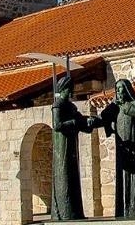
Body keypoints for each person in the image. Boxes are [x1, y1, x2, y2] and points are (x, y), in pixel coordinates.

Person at [98, 79, 135, 217]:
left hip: (132, 146)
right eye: (117, 89)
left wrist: (133, 110)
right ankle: (121, 210)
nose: (119, 91)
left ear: (127, 90)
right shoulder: (115, 107)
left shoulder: (131, 105)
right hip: (121, 147)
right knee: (121, 175)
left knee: (132, 177)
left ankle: (133, 209)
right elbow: (104, 116)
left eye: (121, 88)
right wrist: (107, 127)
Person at [51, 75, 97, 220]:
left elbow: (79, 120)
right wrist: (74, 123)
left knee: (72, 177)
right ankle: (64, 213)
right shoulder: (57, 105)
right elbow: (57, 125)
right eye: (70, 88)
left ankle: (74, 212)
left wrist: (89, 122)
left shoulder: (71, 106)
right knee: (64, 177)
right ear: (64, 89)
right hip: (62, 148)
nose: (71, 91)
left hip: (70, 146)